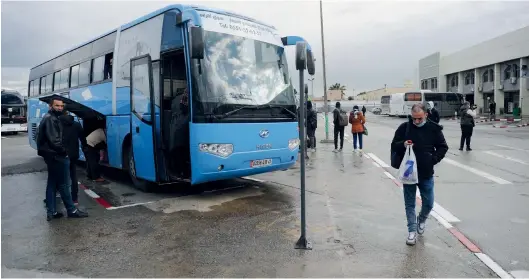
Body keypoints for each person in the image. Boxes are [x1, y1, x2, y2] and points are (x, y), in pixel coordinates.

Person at [391, 103, 448, 245]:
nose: (416, 121)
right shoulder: (404, 128)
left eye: (419, 118)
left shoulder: (433, 129)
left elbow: (443, 147)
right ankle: (411, 232)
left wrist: (432, 159)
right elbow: (394, 145)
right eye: (414, 118)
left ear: (426, 115)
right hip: (409, 173)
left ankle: (421, 219)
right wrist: (403, 144)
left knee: (428, 203)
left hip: (426, 172)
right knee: (409, 204)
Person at [37, 96, 88, 220]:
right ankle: (72, 210)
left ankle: (51, 212)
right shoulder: (51, 119)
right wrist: (64, 152)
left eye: (61, 106)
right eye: (57, 106)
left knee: (52, 183)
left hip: (50, 155)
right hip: (56, 156)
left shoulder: (49, 117)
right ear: (51, 106)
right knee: (64, 184)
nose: (60, 108)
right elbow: (55, 141)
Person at [59, 111, 88, 205]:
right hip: (73, 154)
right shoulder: (76, 124)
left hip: (61, 154)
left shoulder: (57, 124)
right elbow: (83, 138)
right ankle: (74, 198)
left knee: (60, 176)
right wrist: (84, 147)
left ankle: (63, 197)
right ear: (68, 113)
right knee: (73, 176)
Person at [169, 88, 191, 177]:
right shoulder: (185, 97)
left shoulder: (174, 100)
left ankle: (178, 171)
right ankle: (183, 173)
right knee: (183, 153)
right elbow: (185, 108)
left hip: (174, 128)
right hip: (182, 129)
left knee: (177, 152)